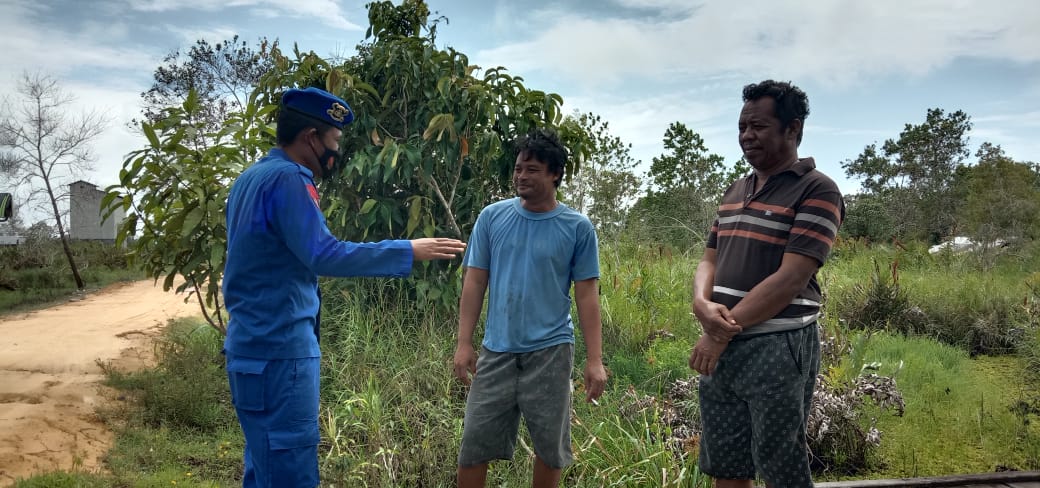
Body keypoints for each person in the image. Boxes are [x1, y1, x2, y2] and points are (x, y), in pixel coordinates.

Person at [222, 86, 466, 488]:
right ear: (311, 138)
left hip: (248, 350)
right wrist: (407, 250)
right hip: (281, 354)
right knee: (290, 470)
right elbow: (325, 254)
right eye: (335, 140)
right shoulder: (287, 180)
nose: (338, 151)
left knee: (263, 464)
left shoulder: (251, 178)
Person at [688, 80, 844, 488]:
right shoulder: (736, 190)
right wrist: (701, 304)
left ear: (792, 129)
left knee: (781, 464)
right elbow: (709, 257)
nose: (746, 136)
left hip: (777, 344)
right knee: (726, 462)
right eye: (742, 127)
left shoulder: (818, 189)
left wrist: (721, 331)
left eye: (757, 126)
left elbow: (792, 277)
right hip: (720, 340)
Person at [452, 129, 608, 488]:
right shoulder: (492, 218)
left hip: (551, 352)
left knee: (549, 447)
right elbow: (475, 282)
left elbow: (587, 297)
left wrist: (595, 360)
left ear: (555, 174)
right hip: (497, 351)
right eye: (519, 168)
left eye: (532, 169)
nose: (521, 176)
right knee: (474, 444)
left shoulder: (577, 228)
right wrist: (464, 343)